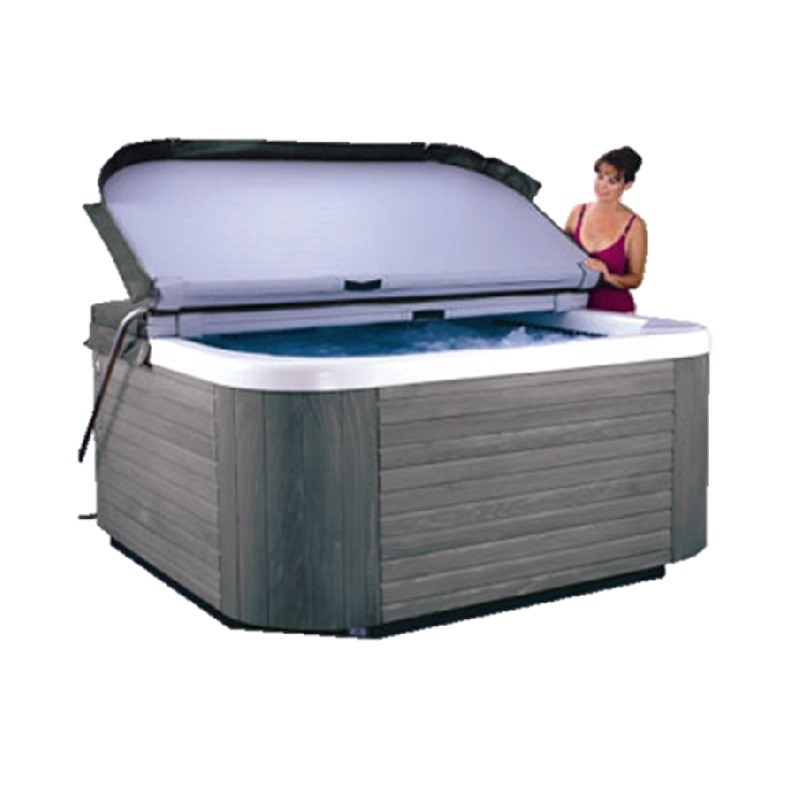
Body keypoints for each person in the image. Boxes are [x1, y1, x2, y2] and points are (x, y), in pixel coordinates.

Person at [565, 147, 647, 312]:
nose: (602, 185)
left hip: (614, 312)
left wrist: (608, 277)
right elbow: (561, 255)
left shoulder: (634, 226)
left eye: (612, 181)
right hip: (573, 309)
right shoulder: (578, 213)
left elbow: (635, 279)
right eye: (600, 177)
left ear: (627, 185)